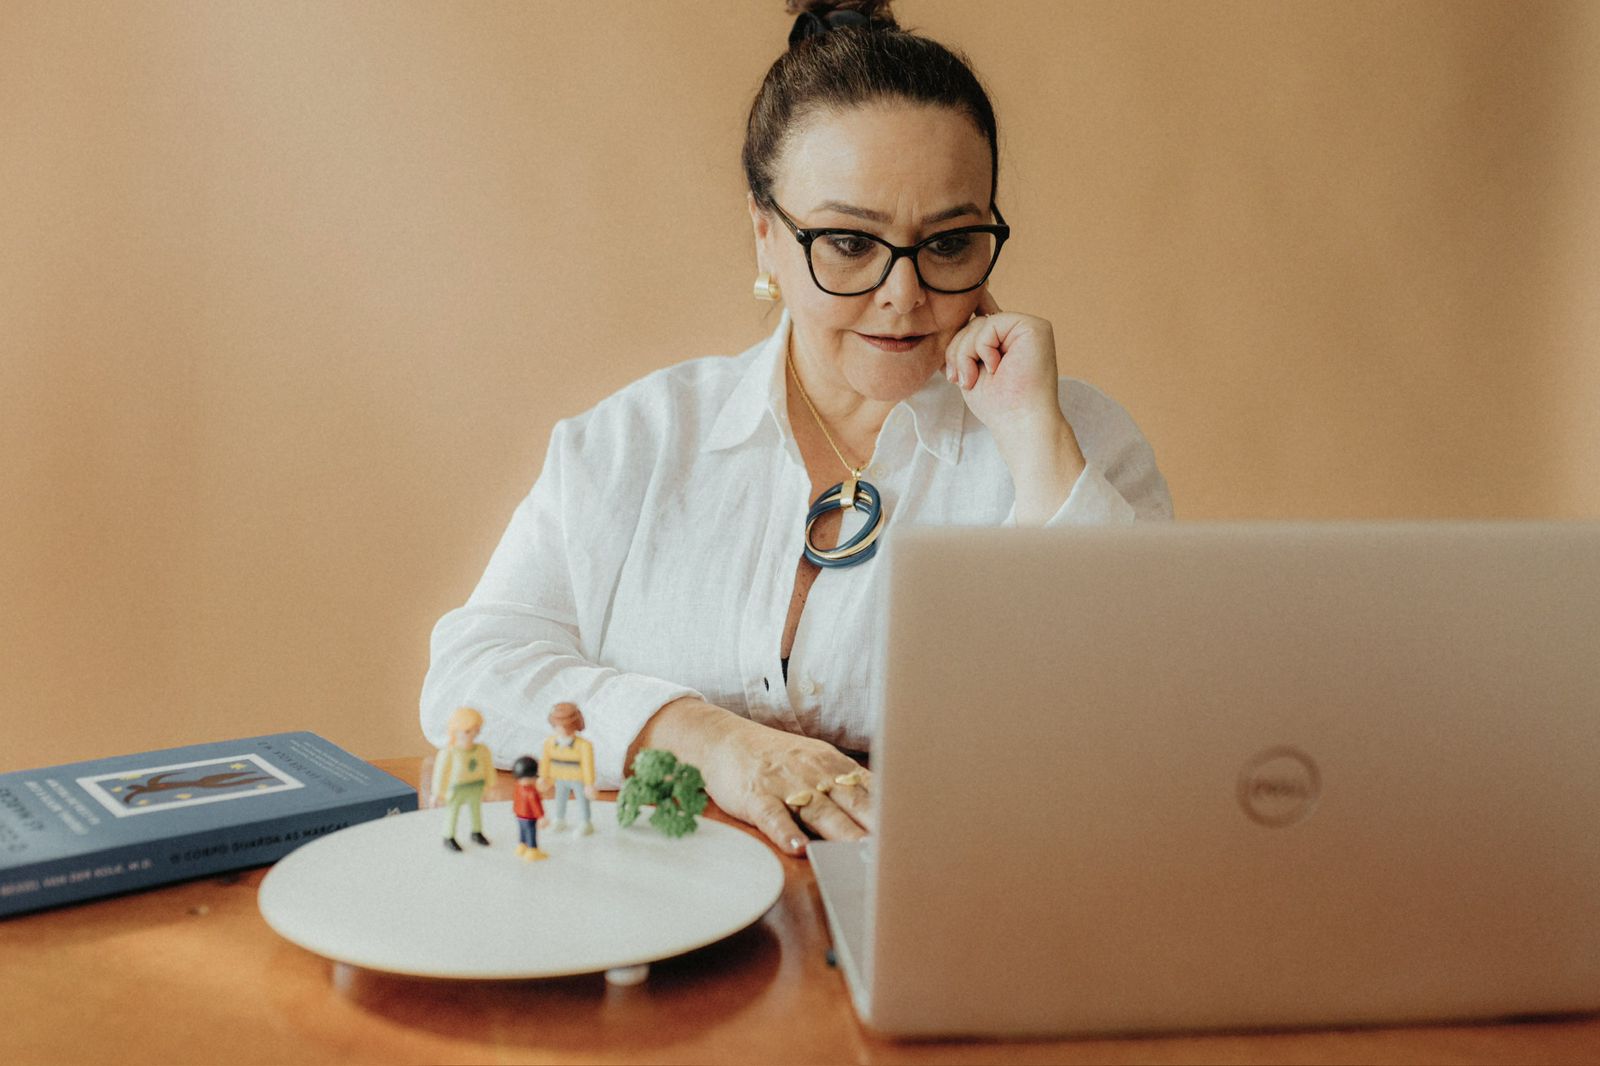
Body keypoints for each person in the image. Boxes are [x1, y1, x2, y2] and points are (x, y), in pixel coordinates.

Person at [421, 0, 1172, 857]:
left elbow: (1141, 727)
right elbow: (471, 672)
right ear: (766, 237)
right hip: (646, 915)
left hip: (951, 914)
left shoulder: (1076, 444)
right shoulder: (638, 439)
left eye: (951, 242)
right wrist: (712, 739)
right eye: (850, 243)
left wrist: (1034, 442)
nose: (904, 293)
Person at [432, 706, 494, 852]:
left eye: (475, 730)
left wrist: (490, 785)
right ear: (455, 730)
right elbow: (441, 775)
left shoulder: (482, 750)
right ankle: (449, 836)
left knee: (476, 810)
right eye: (467, 731)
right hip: (456, 789)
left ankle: (476, 831)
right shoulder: (449, 753)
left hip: (476, 786)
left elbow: (488, 768)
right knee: (453, 812)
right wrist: (437, 794)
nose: (472, 734)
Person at [538, 702, 598, 835]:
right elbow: (545, 762)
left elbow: (588, 766)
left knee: (582, 800)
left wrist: (589, 784)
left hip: (578, 779)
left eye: (566, 726)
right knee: (560, 799)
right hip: (558, 778)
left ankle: (585, 822)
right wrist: (543, 777)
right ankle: (560, 819)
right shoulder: (549, 743)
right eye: (558, 725)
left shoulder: (584, 746)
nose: (562, 729)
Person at [510, 755, 549, 861]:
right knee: (531, 833)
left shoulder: (518, 786)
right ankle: (533, 850)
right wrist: (541, 817)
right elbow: (536, 805)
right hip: (529, 816)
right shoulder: (531, 792)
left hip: (519, 815)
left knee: (522, 831)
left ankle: (522, 847)